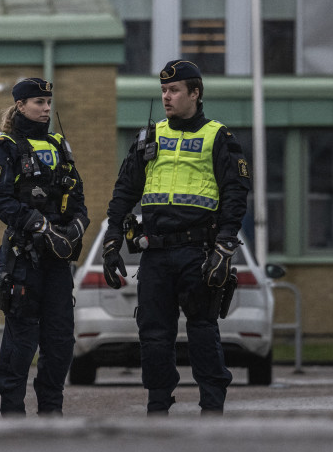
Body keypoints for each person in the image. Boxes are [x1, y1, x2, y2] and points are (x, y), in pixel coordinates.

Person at [103, 59, 251, 416]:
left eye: (174, 91)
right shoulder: (149, 137)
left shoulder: (218, 136)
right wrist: (111, 236)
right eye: (163, 91)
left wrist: (226, 243)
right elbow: (125, 189)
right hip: (155, 252)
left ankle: (212, 407)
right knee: (153, 333)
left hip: (198, 250)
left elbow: (235, 192)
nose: (167, 97)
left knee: (202, 329)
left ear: (195, 94)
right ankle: (157, 408)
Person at [0, 77, 88, 416]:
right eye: (39, 102)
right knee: (20, 343)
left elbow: (80, 200)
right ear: (20, 105)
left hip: (57, 263)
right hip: (22, 261)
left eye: (48, 102)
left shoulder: (58, 144)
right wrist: (40, 227)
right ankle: (13, 415)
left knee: (60, 343)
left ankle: (51, 414)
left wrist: (74, 229)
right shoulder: (6, 145)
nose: (45, 108)